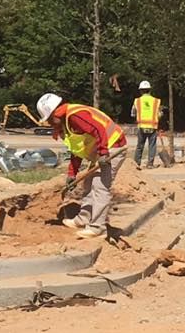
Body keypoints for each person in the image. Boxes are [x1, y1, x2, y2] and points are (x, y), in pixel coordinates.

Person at [36, 92, 127, 239]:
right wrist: (72, 174)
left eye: (50, 120)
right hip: (102, 149)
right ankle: (83, 219)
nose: (50, 124)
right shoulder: (67, 122)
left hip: (113, 146)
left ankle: (98, 227)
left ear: (55, 113)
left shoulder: (75, 116)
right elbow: (77, 150)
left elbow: (99, 129)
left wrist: (104, 153)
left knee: (100, 186)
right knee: (88, 182)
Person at [130, 80, 162, 169]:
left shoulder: (137, 101)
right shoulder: (156, 101)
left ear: (141, 90)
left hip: (141, 126)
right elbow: (159, 114)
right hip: (153, 126)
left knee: (140, 146)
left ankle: (137, 164)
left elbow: (132, 114)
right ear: (150, 90)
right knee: (152, 146)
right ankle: (150, 164)